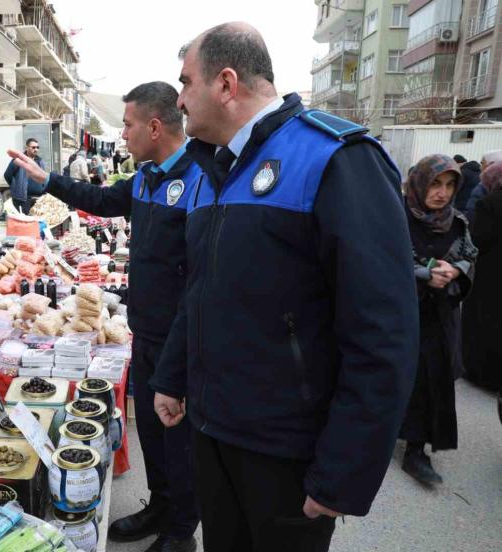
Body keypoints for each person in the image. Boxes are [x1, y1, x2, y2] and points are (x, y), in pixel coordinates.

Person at [150, 23, 418, 551]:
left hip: (286, 452)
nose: (178, 100)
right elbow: (201, 289)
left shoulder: (335, 157)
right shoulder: (211, 170)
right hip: (213, 431)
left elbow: (383, 333)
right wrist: (172, 376)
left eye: (185, 82)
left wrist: (343, 472)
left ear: (225, 84)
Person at [8, 81, 201, 552]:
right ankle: (160, 505)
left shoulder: (201, 178)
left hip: (183, 338)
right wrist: (48, 179)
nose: (124, 134)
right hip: (146, 332)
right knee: (151, 429)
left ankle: (181, 531)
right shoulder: (147, 176)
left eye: (128, 125)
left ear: (154, 127)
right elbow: (102, 201)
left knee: (179, 438)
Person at [398, 155, 476, 485]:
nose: (442, 193)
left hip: (439, 315)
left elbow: (470, 256)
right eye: (434, 184)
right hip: (401, 313)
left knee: (432, 379)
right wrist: (423, 274)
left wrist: (455, 270)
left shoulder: (457, 222)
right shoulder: (396, 216)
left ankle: (416, 450)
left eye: (449, 185)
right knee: (394, 375)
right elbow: (382, 259)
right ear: (419, 183)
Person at [461, 163, 502, 390]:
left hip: (490, 274)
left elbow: (478, 239)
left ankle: (482, 374)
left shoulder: (489, 203)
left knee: (484, 322)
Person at [4, 138, 46, 214]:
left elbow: (42, 177)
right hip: (23, 199)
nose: (36, 149)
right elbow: (7, 175)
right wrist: (16, 187)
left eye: (37, 147)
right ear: (27, 147)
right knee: (24, 219)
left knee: (36, 219)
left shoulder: (40, 161)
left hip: (37, 198)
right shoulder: (18, 160)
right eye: (33, 147)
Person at [465, 150, 502, 222]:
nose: (480, 167)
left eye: (482, 163)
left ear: (492, 165)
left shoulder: (482, 187)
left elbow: (471, 213)